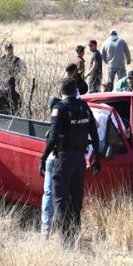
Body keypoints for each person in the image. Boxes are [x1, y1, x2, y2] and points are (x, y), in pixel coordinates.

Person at [39, 78, 100, 247]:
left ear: (61, 92)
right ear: (75, 91)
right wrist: (97, 159)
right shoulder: (84, 108)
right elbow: (94, 135)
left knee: (60, 202)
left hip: (63, 160)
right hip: (79, 161)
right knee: (75, 201)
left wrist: (43, 158)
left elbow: (52, 138)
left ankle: (64, 244)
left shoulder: (60, 109)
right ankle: (73, 238)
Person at [41, 96, 61, 236]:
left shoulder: (53, 122)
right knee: (59, 195)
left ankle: (46, 228)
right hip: (60, 161)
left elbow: (51, 139)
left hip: (51, 160)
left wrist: (42, 158)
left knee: (48, 193)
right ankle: (57, 227)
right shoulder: (66, 118)